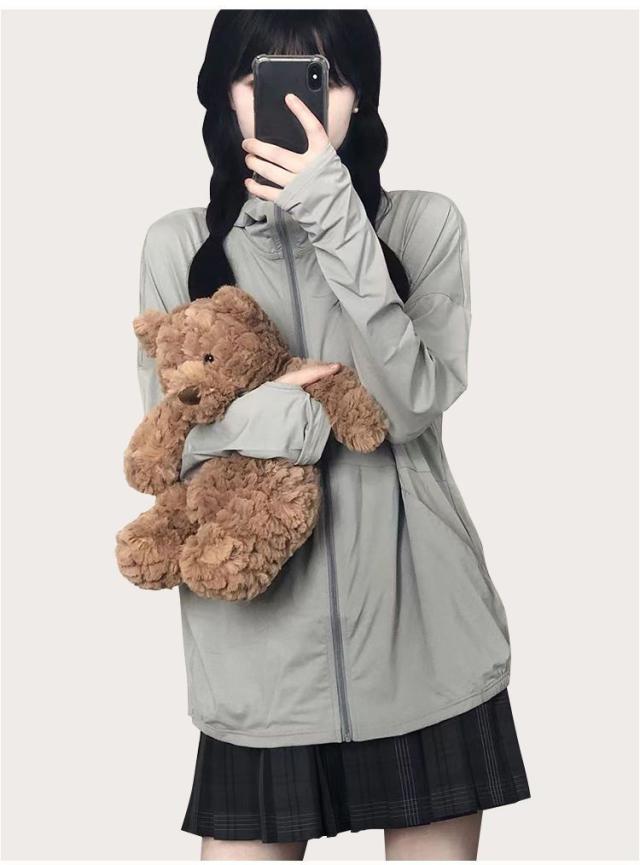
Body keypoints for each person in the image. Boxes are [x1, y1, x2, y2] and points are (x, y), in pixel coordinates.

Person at [135, 10, 531, 861]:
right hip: (258, 660)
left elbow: (413, 400)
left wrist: (334, 214)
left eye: (325, 78)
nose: (294, 103)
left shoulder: (424, 225)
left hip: (424, 642)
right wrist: (289, 411)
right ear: (224, 93)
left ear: (361, 96)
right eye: (260, 76)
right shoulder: (180, 245)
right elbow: (169, 448)